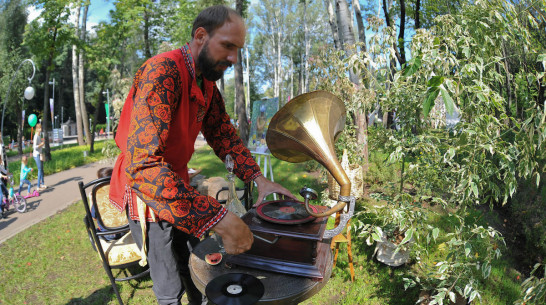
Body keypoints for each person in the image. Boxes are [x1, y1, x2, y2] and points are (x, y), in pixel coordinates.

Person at [109, 5, 295, 305]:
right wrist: (218, 217)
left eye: (238, 49)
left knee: (196, 263)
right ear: (200, 36)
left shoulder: (207, 85)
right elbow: (142, 167)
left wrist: (259, 179)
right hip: (151, 191)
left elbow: (224, 137)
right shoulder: (162, 73)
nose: (234, 58)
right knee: (168, 279)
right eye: (228, 46)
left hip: (177, 182)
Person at [32, 122, 46, 191]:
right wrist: (41, 144)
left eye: (41, 128)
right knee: (39, 169)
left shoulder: (39, 136)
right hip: (36, 154)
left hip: (40, 154)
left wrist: (42, 144)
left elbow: (39, 145)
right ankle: (38, 186)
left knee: (42, 169)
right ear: (37, 129)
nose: (40, 129)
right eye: (39, 128)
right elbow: (35, 147)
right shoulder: (35, 136)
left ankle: (42, 183)